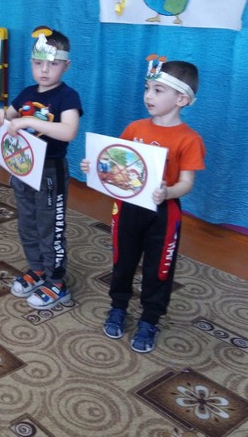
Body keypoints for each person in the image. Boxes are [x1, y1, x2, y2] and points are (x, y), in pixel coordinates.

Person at [81, 55, 205, 353]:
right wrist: (95, 166)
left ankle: (150, 319)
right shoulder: (135, 127)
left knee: (158, 268)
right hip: (127, 208)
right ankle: (118, 306)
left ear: (182, 99)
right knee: (123, 260)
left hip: (164, 213)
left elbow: (187, 183)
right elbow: (116, 163)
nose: (148, 95)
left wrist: (168, 192)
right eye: (147, 88)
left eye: (158, 90)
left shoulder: (189, 139)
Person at [0, 26, 82, 309]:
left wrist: (30, 121)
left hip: (50, 172)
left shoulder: (67, 96)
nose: (44, 70)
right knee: (27, 221)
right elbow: (9, 117)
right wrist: (0, 113)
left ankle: (57, 282)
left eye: (52, 64)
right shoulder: (27, 93)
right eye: (38, 63)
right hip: (23, 170)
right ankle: (38, 269)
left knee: (50, 226)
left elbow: (68, 131)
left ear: (66, 65)